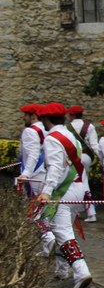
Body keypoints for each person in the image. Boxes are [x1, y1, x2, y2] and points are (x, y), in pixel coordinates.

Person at [32, 102, 92, 288]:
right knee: (63, 229)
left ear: (46, 120)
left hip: (63, 191)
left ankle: (81, 271)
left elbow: (55, 168)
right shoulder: (70, 135)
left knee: (62, 231)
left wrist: (47, 191)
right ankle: (61, 269)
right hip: (78, 188)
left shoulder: (52, 139)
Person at [17, 103, 57, 257]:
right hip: (46, 174)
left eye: (25, 115)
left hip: (34, 176)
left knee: (34, 212)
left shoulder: (29, 131)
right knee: (43, 210)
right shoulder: (46, 130)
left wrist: (26, 174)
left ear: (32, 115)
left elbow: (32, 155)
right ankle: (48, 247)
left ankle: (49, 238)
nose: (23, 117)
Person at [66, 105, 100, 222]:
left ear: (73, 115)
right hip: (87, 157)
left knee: (78, 184)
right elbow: (94, 145)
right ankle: (79, 211)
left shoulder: (67, 128)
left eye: (70, 114)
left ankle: (90, 213)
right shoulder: (89, 126)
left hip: (74, 158)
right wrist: (103, 159)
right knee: (82, 183)